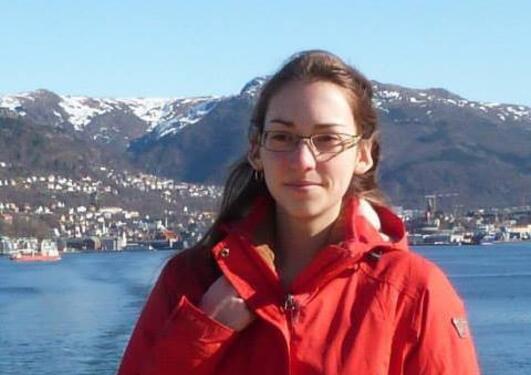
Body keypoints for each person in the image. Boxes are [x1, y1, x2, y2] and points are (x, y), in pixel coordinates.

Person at [117, 50, 480, 375]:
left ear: (364, 155)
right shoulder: (190, 282)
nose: (303, 161)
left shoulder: (413, 293)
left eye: (327, 139)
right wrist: (202, 335)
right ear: (257, 151)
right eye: (282, 137)